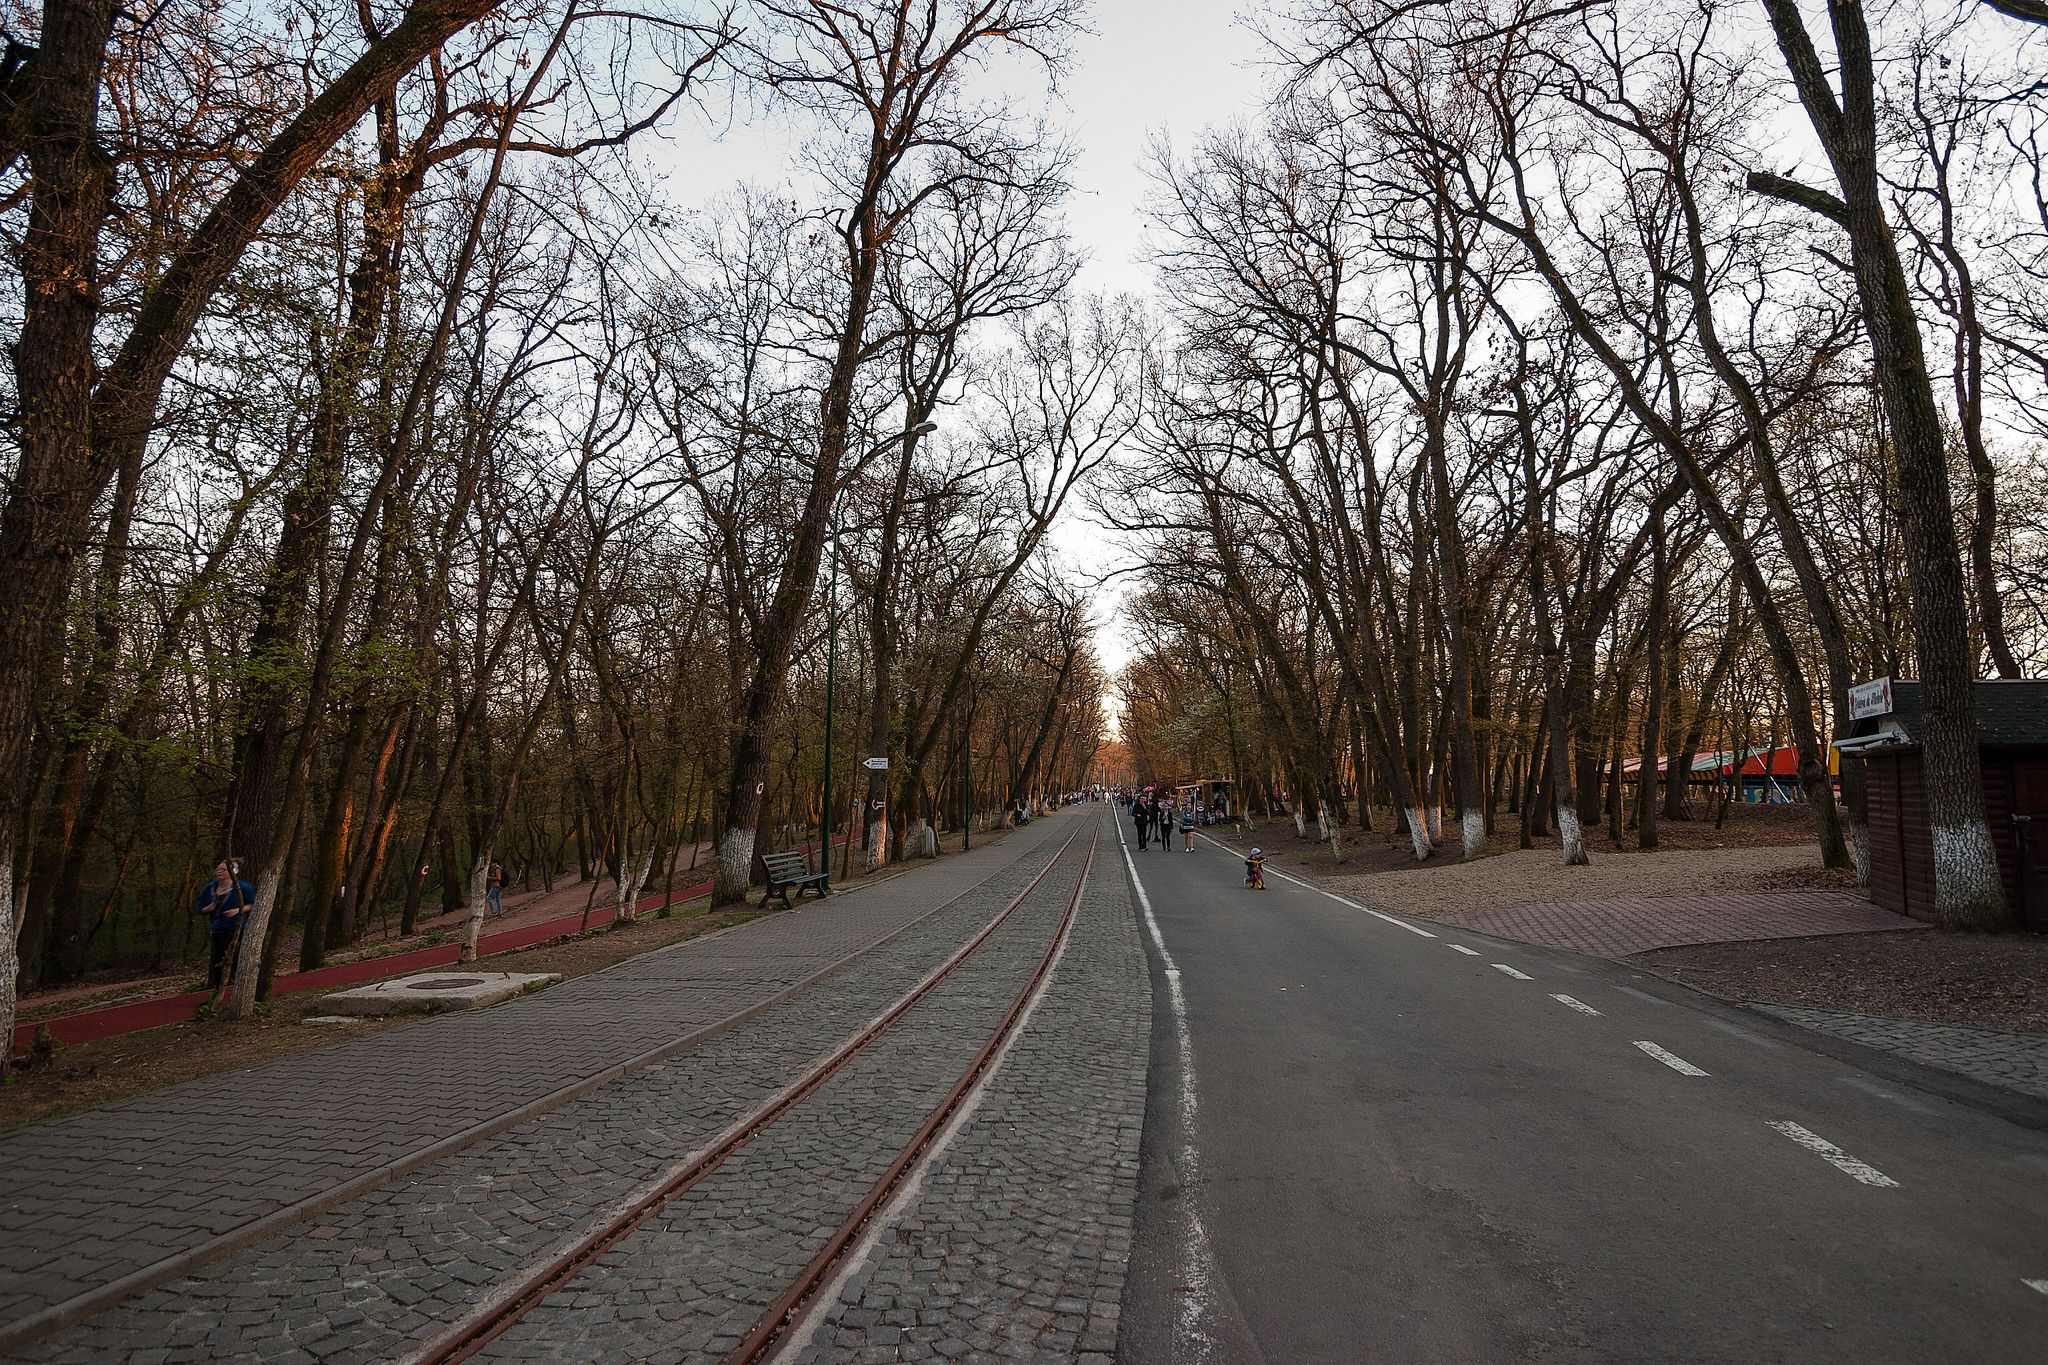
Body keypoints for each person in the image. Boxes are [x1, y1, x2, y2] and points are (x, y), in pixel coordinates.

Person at [195, 860, 256, 998]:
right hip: (217, 929)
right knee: (218, 961)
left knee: (235, 958)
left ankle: (241, 992)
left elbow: (253, 904)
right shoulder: (210, 888)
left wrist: (238, 910)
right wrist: (208, 908)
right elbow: (200, 908)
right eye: (218, 869)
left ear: (232, 872)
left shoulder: (242, 887)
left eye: (224, 870)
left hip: (236, 928)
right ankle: (218, 993)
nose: (220, 872)